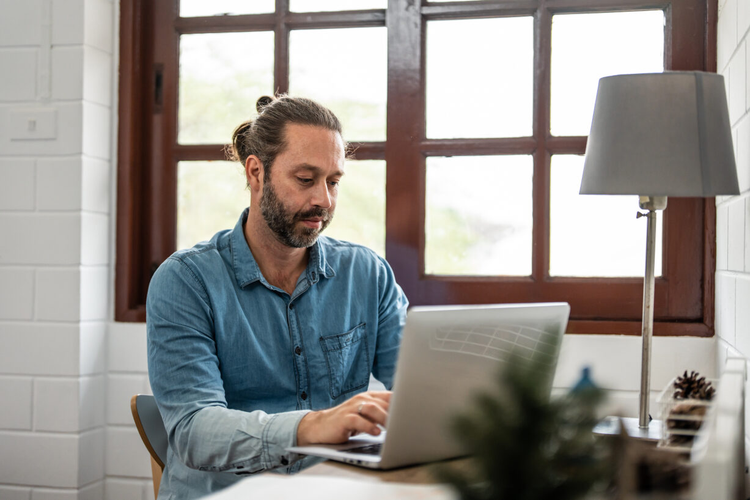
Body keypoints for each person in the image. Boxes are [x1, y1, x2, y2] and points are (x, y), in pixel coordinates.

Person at [146, 95, 409, 499]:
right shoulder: (185, 281)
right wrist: (311, 427)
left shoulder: (368, 274)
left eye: (333, 181)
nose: (324, 199)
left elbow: (417, 391)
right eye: (306, 179)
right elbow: (194, 431)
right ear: (256, 172)